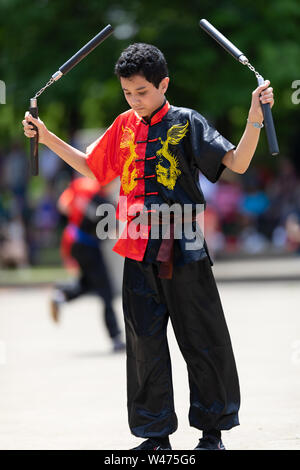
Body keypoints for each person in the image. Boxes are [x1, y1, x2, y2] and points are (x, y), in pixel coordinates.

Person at [23, 43, 274, 450]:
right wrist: (47, 137)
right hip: (137, 250)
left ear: (163, 84)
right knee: (143, 344)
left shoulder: (186, 122)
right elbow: (93, 166)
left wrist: (254, 118)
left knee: (202, 339)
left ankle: (212, 434)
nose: (134, 100)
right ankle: (155, 436)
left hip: (184, 248)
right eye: (127, 93)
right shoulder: (123, 124)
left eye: (142, 92)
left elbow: (238, 163)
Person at [50, 175, 125, 353]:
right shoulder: (104, 201)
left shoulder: (82, 187)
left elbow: (63, 206)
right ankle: (115, 337)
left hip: (74, 240)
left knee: (91, 283)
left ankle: (62, 294)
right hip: (89, 246)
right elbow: (112, 232)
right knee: (106, 290)